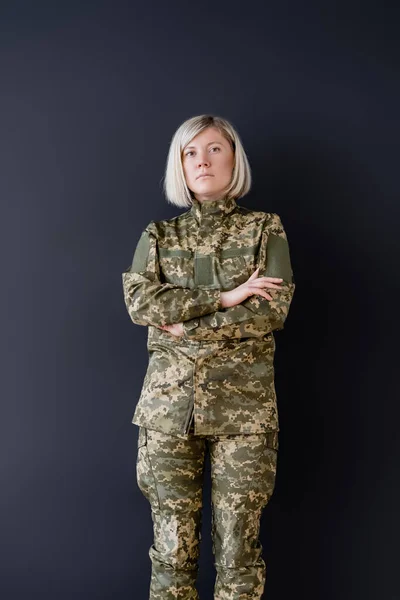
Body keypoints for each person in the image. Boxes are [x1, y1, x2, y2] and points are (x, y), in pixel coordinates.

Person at [121, 114, 296, 600]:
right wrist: (225, 298)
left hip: (244, 414)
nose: (203, 161)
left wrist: (185, 324)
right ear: (179, 164)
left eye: (215, 149)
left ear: (234, 158)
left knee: (239, 555)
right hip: (167, 413)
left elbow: (270, 312)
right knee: (171, 554)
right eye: (191, 152)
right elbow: (140, 304)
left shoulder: (264, 228)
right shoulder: (158, 235)